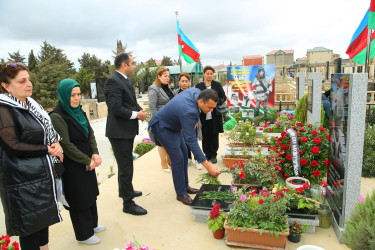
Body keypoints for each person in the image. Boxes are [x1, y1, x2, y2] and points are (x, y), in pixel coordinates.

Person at [0, 62, 63, 250]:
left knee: (42, 226)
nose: (29, 84)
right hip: (21, 181)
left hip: (40, 176)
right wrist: (47, 149)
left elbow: (46, 131)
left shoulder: (33, 104)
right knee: (30, 231)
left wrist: (56, 142)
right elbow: (12, 145)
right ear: (6, 85)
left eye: (29, 79)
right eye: (22, 81)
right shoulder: (4, 109)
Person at [50, 79, 104, 245]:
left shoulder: (80, 112)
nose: (76, 98)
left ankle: (92, 224)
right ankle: (83, 234)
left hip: (87, 159)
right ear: (64, 95)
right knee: (78, 197)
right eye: (72, 95)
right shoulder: (58, 116)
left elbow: (90, 134)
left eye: (79, 94)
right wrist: (87, 160)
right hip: (73, 163)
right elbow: (65, 144)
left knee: (90, 193)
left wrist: (95, 153)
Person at [148, 88, 221, 206]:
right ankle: (180, 193)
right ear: (201, 101)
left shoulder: (197, 92)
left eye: (213, 107)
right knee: (178, 158)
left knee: (183, 153)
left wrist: (192, 121)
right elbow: (191, 141)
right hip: (162, 127)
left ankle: (185, 186)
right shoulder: (189, 112)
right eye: (209, 107)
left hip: (174, 125)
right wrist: (209, 167)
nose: (211, 111)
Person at [104, 53, 147, 216]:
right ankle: (128, 204)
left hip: (125, 131)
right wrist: (137, 115)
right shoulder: (113, 81)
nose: (135, 66)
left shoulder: (124, 80)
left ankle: (125, 191)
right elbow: (116, 108)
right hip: (119, 133)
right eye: (133, 63)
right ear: (124, 65)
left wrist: (139, 111)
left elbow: (130, 102)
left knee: (126, 165)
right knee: (126, 167)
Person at [195, 66, 226, 164]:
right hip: (203, 116)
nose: (209, 75)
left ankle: (213, 155)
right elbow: (196, 99)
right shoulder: (199, 86)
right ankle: (206, 154)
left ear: (213, 75)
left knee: (214, 134)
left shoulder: (217, 85)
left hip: (214, 115)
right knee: (205, 135)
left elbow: (223, 97)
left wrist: (216, 104)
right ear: (204, 74)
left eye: (211, 74)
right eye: (207, 73)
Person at [174, 72, 202, 170]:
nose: (184, 83)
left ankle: (198, 160)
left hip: (191, 121)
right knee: (183, 141)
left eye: (186, 81)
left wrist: (195, 121)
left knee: (193, 141)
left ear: (189, 82)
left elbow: (198, 107)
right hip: (179, 122)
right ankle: (188, 158)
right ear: (179, 82)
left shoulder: (193, 93)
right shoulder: (175, 93)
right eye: (182, 81)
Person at [148, 68, 174, 173]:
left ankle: (170, 162)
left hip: (169, 119)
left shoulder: (167, 88)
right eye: (165, 76)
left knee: (167, 142)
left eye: (168, 76)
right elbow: (152, 107)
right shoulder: (154, 88)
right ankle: (164, 165)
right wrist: (157, 122)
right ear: (159, 76)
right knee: (161, 143)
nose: (168, 78)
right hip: (160, 120)